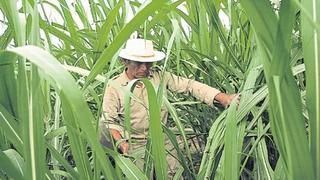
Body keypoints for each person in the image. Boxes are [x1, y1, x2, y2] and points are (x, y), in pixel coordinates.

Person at [99, 38, 239, 178]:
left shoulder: (159, 76)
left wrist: (222, 97)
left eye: (148, 63)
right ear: (125, 61)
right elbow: (109, 121)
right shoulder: (114, 87)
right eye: (138, 63)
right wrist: (121, 143)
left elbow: (189, 85)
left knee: (174, 176)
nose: (144, 68)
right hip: (135, 144)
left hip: (163, 139)